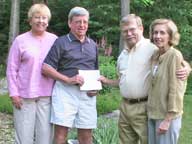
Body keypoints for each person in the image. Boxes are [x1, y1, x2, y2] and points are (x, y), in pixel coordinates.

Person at [99, 14, 190, 144]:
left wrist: (187, 68)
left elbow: (175, 58)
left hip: (144, 106)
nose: (129, 33)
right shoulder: (122, 55)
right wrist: (106, 81)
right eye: (125, 31)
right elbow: (123, 80)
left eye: (132, 29)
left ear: (141, 28)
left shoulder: (152, 47)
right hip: (124, 107)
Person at [42, 7, 98, 144]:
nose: (82, 25)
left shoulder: (93, 45)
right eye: (78, 22)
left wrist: (95, 88)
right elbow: (46, 68)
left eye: (85, 22)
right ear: (70, 23)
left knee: (86, 135)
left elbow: (96, 70)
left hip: (87, 95)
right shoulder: (61, 42)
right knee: (61, 134)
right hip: (65, 92)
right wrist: (67, 79)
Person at [6, 3, 57, 144]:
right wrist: (13, 93)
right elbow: (11, 69)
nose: (41, 21)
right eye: (37, 17)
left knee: (45, 138)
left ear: (48, 21)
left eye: (44, 17)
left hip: (47, 96)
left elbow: (60, 66)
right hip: (24, 96)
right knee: (24, 138)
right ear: (30, 20)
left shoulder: (54, 40)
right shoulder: (20, 40)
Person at [147, 19, 187, 144]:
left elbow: (175, 89)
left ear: (170, 36)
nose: (157, 36)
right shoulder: (155, 55)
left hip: (166, 117)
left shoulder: (174, 55)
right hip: (153, 114)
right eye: (155, 33)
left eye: (162, 33)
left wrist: (168, 119)